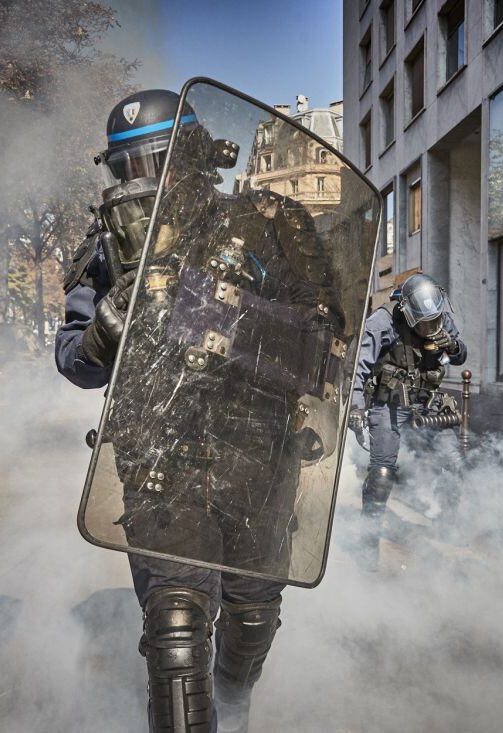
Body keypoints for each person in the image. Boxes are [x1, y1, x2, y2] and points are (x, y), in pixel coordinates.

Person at [57, 89, 316, 733]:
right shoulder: (107, 250)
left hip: (259, 452)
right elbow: (73, 359)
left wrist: (228, 317)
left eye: (165, 161)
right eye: (134, 167)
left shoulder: (268, 222)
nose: (151, 182)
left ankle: (235, 705)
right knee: (175, 628)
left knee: (252, 618)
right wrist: (101, 335)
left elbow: (327, 334)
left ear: (200, 158)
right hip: (158, 456)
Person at [347, 273, 467, 567]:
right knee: (382, 474)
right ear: (407, 312)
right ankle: (367, 542)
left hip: (427, 404)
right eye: (423, 323)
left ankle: (447, 527)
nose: (430, 327)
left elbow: (461, 355)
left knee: (454, 463)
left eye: (434, 320)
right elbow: (357, 368)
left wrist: (452, 346)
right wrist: (355, 407)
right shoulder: (383, 322)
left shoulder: (440, 317)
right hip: (388, 404)